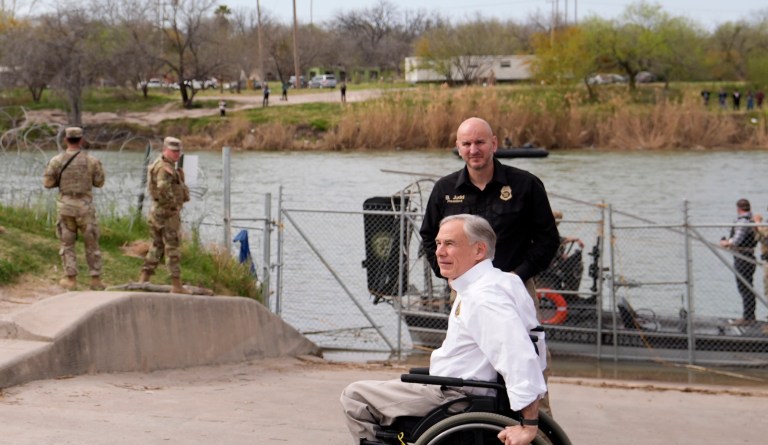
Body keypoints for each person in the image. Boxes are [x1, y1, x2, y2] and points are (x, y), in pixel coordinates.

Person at [341, 214, 546, 445]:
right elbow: (535, 341)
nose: (439, 252)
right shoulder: (501, 282)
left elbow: (517, 354)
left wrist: (528, 425)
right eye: (438, 243)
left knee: (356, 397)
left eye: (450, 244)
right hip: (460, 389)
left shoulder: (483, 297)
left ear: (479, 251)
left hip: (455, 397)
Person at [419, 117, 559, 415]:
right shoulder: (444, 190)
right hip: (466, 293)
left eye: (480, 142)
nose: (474, 149)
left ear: (494, 144)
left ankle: (538, 426)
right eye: (466, 144)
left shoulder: (525, 185)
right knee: (468, 371)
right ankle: (474, 427)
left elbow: (548, 239)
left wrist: (516, 276)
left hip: (516, 288)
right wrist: (448, 273)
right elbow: (429, 237)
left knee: (527, 364)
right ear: (457, 148)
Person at [42, 126, 106, 291]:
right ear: (82, 140)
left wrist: (60, 181)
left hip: (66, 207)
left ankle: (71, 279)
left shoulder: (56, 160)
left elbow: (47, 183)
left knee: (67, 243)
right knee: (92, 243)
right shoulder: (92, 161)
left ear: (65, 140)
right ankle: (95, 279)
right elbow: (99, 182)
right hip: (85, 208)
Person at [138, 137, 191, 294]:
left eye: (178, 151)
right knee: (172, 247)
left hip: (158, 211)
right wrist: (174, 205)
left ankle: (144, 277)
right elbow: (163, 189)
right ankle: (176, 285)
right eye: (173, 151)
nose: (176, 154)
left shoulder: (163, 165)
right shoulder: (164, 168)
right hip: (167, 214)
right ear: (165, 150)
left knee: (157, 246)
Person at [719, 199, 757, 325]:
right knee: (748, 287)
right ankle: (750, 316)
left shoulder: (742, 221)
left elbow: (737, 240)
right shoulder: (752, 220)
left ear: (738, 208)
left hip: (743, 258)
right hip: (749, 256)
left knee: (744, 288)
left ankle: (747, 318)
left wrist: (726, 242)